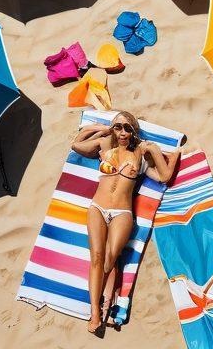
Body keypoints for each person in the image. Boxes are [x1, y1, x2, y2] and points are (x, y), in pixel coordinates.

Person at [71, 112, 179, 336]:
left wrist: (157, 150)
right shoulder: (103, 145)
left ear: (133, 132)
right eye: (118, 127)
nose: (122, 132)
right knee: (97, 257)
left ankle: (105, 300)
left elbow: (164, 176)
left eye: (127, 128)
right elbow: (76, 145)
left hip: (122, 212)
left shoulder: (140, 153)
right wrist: (96, 128)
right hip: (97, 208)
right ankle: (96, 313)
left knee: (110, 259)